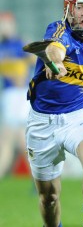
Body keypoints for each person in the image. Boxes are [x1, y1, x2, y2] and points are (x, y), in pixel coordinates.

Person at [25, 0, 83, 227]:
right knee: (48, 197)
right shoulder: (58, 29)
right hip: (42, 122)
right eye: (80, 6)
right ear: (69, 10)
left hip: (77, 116)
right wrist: (55, 62)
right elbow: (54, 48)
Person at [0, 12, 33, 178]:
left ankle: (38, 174)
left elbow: (32, 60)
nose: (3, 27)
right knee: (18, 137)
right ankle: (38, 175)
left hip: (18, 94)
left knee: (11, 137)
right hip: (10, 94)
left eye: (5, 23)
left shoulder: (20, 43)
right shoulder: (2, 46)